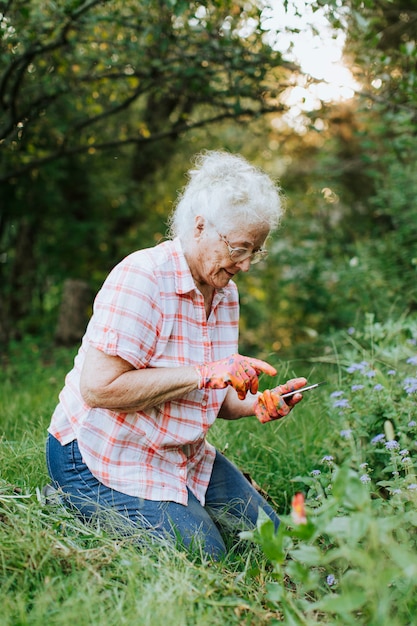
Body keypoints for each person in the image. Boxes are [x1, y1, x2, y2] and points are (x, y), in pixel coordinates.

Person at [46, 150, 307, 560]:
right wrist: (205, 372)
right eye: (239, 248)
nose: (246, 264)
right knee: (207, 557)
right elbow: (98, 388)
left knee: (274, 545)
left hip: (179, 455)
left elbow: (215, 395)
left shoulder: (224, 291)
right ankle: (66, 502)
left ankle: (177, 503)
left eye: (255, 251)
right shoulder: (143, 277)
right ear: (200, 225)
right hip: (98, 456)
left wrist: (260, 403)